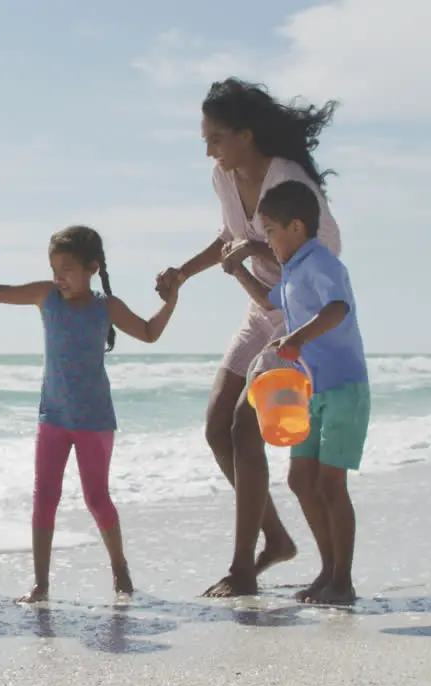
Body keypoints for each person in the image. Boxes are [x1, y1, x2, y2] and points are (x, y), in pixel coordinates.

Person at [155, 77, 343, 598]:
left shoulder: (290, 181)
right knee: (216, 425)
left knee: (244, 427)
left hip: (295, 319)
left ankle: (242, 568)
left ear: (246, 134)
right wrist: (183, 274)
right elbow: (228, 238)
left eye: (215, 137)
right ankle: (277, 540)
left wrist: (254, 260)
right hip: (256, 310)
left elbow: (325, 251)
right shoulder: (224, 175)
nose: (209, 149)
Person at [0, 225, 180, 603]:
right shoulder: (46, 296)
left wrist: (170, 302)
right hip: (52, 418)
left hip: (95, 421)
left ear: (92, 268)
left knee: (97, 498)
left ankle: (119, 568)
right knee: (43, 498)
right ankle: (42, 584)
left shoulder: (106, 307)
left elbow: (148, 333)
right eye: (54, 268)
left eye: (67, 268)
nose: (58, 277)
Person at [222, 179, 369, 605]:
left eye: (270, 231)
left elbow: (337, 309)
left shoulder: (321, 263)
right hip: (311, 390)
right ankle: (328, 570)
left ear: (297, 227)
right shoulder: (292, 271)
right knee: (301, 479)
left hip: (343, 387)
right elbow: (273, 305)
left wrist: (298, 339)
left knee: (330, 484)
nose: (267, 239)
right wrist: (239, 272)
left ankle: (343, 579)